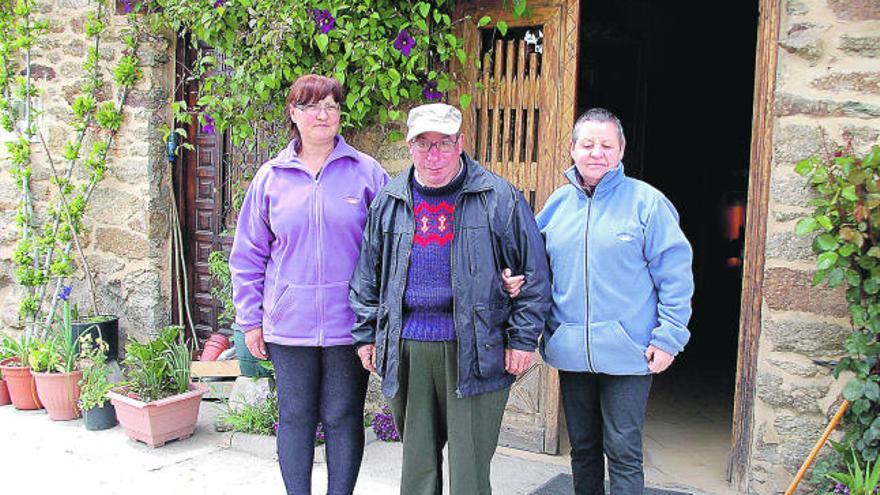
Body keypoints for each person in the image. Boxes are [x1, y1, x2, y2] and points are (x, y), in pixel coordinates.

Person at [349, 103, 551, 495]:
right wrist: (366, 336)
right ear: (409, 147)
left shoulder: (499, 197)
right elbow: (366, 277)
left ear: (461, 143)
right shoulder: (390, 201)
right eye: (423, 144)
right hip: (409, 348)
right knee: (417, 467)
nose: (434, 155)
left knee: (469, 470)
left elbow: (535, 274)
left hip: (477, 347)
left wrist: (523, 339)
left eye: (443, 143)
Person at [229, 74, 389, 495]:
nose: (323, 114)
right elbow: (248, 254)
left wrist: (378, 321)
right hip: (289, 324)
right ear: (294, 114)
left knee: (342, 415)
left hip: (349, 325)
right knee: (296, 415)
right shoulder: (271, 178)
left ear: (340, 115)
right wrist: (251, 320)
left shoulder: (366, 173)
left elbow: (390, 251)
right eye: (312, 106)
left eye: (332, 106)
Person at [535, 107, 694, 494]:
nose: (596, 152)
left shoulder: (647, 203)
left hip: (631, 354)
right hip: (573, 351)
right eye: (587, 144)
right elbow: (534, 267)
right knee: (584, 448)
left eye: (606, 144)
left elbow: (674, 274)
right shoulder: (557, 205)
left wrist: (668, 337)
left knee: (622, 449)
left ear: (621, 150)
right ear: (572, 149)